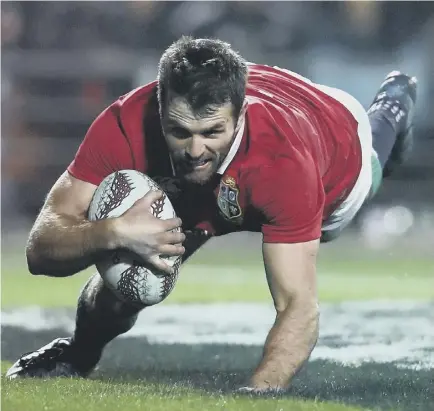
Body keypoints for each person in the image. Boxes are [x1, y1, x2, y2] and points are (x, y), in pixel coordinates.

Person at [6, 36, 417, 392]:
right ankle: (76, 356)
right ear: (160, 106)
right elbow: (40, 250)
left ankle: (391, 110)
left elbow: (299, 307)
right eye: (179, 131)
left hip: (334, 135)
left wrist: (260, 393)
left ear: (240, 115)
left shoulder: (284, 163)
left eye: (212, 132)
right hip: (200, 188)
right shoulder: (124, 123)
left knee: (361, 187)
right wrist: (112, 232)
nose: (195, 149)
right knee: (124, 286)